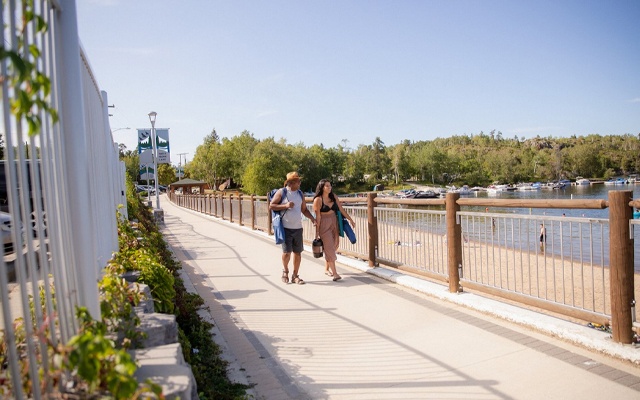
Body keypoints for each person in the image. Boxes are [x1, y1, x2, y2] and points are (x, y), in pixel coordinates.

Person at [269, 172, 316, 285]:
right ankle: (285, 271)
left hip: (298, 228)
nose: (300, 182)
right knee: (286, 253)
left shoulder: (300, 194)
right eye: (297, 180)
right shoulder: (282, 192)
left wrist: (312, 219)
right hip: (286, 228)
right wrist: (285, 206)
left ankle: (295, 275)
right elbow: (272, 205)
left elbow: (304, 209)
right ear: (291, 182)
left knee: (298, 253)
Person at [312, 179, 355, 281]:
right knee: (329, 247)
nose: (330, 187)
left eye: (330, 185)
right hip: (324, 224)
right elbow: (317, 217)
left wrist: (350, 220)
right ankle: (335, 274)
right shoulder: (318, 200)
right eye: (327, 186)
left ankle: (327, 269)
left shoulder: (334, 196)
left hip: (334, 222)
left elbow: (341, 209)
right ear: (322, 187)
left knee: (334, 245)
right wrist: (317, 233)